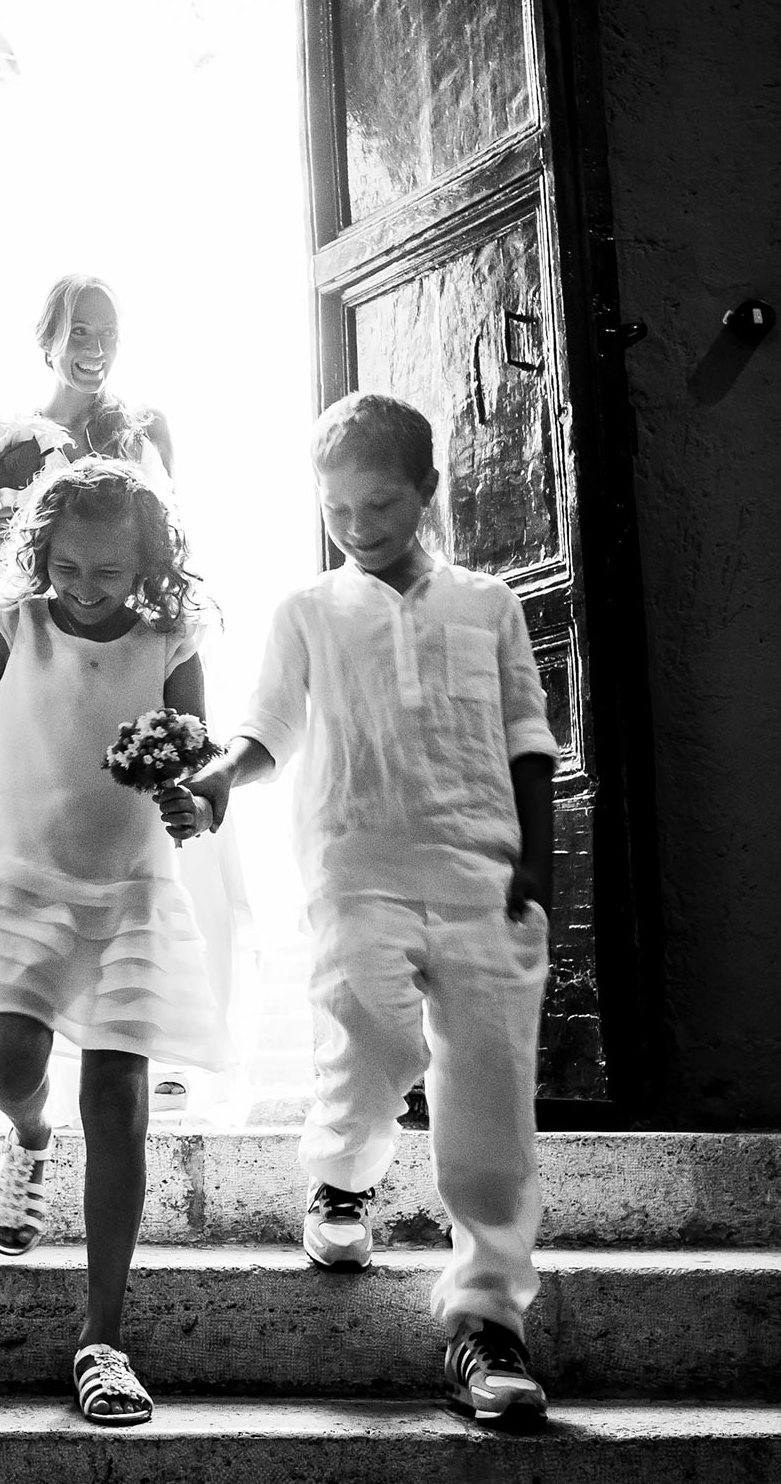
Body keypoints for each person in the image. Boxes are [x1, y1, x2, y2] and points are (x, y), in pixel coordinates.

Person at [182, 391, 559, 1430]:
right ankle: (343, 1179)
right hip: (353, 870)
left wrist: (540, 860)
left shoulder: (489, 605)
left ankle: (487, 1324)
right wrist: (219, 780)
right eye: (338, 507)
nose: (357, 523)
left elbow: (531, 739)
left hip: (482, 877)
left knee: (488, 1106)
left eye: (380, 502)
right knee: (374, 1031)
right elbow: (266, 727)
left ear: (428, 491)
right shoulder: (310, 611)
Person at [0, 456, 230, 1426]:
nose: (86, 590)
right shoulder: (14, 626)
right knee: (7, 1064)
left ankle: (103, 1336)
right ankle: (29, 1133)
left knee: (119, 1096)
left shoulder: (174, 638)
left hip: (127, 891)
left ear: (148, 568)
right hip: (19, 875)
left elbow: (198, 769)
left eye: (109, 574)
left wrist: (187, 801)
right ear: (42, 552)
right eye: (70, 568)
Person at [0, 274, 248, 1117]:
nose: (96, 345)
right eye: (80, 330)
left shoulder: (148, 425)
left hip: (139, 654)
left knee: (167, 827)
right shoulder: (5, 442)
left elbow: (172, 533)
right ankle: (31, 1076)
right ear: (46, 336)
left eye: (109, 331)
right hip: (54, 672)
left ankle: (146, 1032)